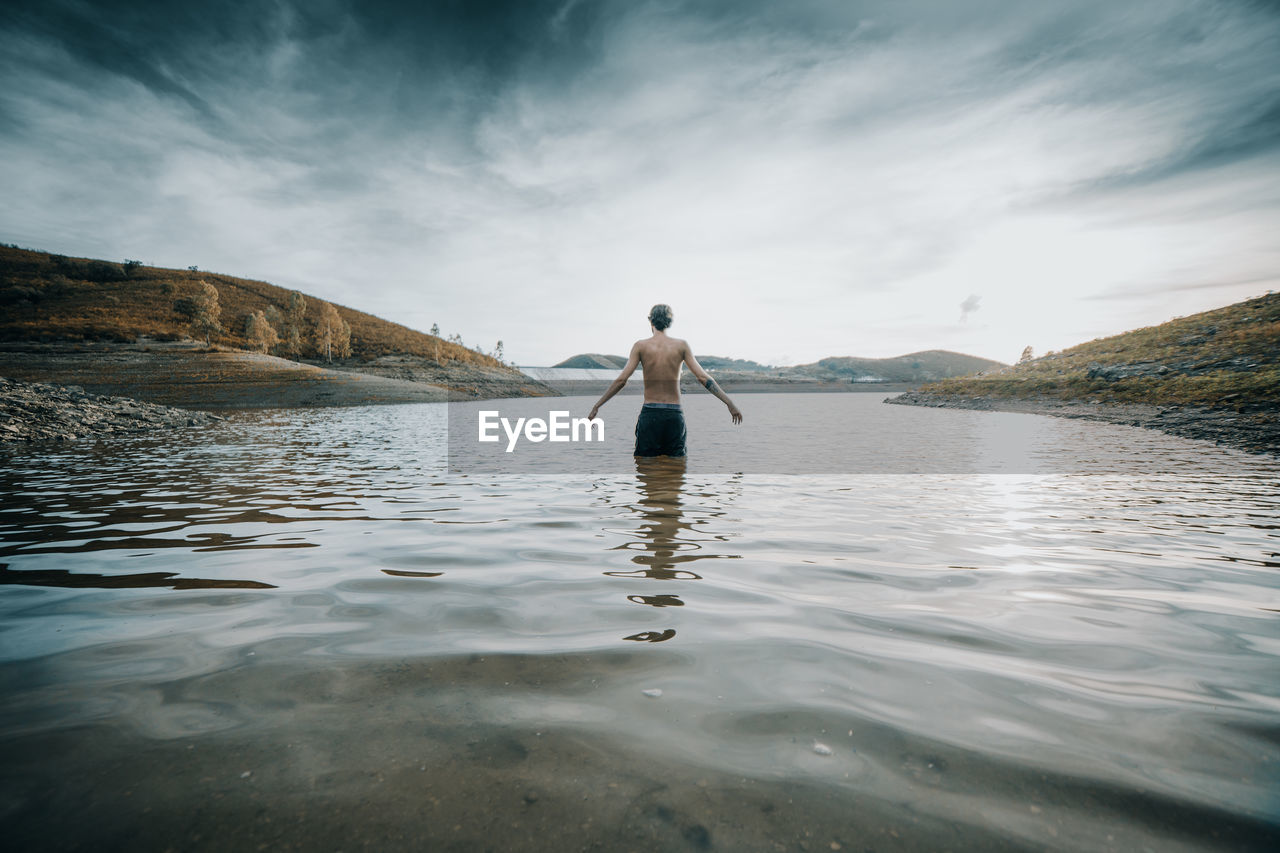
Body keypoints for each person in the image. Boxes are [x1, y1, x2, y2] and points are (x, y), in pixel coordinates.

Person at [588, 304, 743, 457]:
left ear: (651, 321)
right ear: (669, 322)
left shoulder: (640, 346)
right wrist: (729, 402)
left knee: (645, 468)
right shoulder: (681, 346)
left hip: (650, 414)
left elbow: (621, 380)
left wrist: (597, 405)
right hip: (674, 415)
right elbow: (703, 378)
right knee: (675, 469)